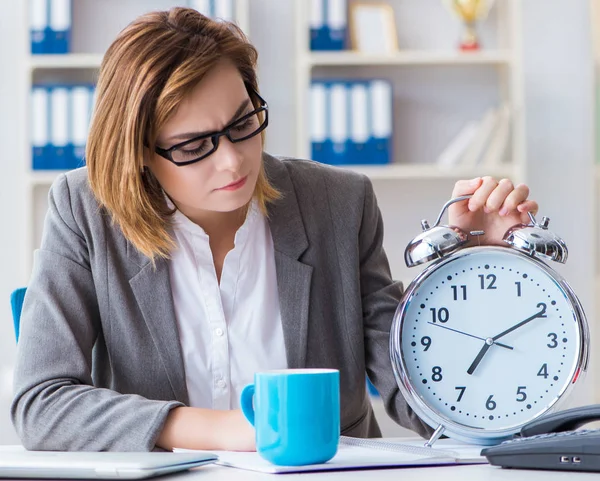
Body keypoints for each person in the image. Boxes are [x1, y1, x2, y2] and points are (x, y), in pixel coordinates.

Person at [11, 8, 538, 452]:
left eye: (243, 123)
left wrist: (469, 273)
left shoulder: (338, 202)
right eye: (194, 146)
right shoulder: (85, 211)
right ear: (139, 155)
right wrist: (235, 432)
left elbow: (421, 398)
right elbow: (41, 404)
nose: (233, 161)